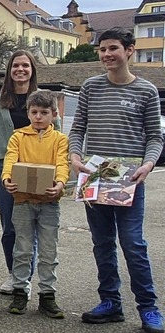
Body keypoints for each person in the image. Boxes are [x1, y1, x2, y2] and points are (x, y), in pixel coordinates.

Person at [69, 27, 165, 333]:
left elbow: (155, 136)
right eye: (102, 49)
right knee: (102, 243)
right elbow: (77, 128)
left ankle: (149, 308)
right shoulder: (90, 87)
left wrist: (148, 165)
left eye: (113, 48)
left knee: (133, 244)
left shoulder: (146, 91)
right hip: (95, 176)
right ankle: (110, 302)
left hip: (128, 179)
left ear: (129, 51)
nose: (107, 54)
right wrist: (74, 156)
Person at [0, 49, 60, 295]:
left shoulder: (43, 99)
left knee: (32, 226)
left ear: (32, 70)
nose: (20, 69)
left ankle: (25, 276)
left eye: (25, 66)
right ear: (9, 70)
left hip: (39, 171)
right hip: (6, 170)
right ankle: (14, 274)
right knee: (10, 226)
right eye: (15, 65)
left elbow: (57, 135)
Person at [1, 90, 68, 318]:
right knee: (22, 248)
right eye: (34, 112)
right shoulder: (18, 136)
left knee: (49, 250)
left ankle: (47, 295)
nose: (39, 117)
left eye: (44, 112)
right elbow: (11, 159)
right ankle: (20, 291)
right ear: (28, 113)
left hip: (50, 202)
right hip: (22, 201)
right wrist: (7, 178)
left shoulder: (60, 139)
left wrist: (60, 183)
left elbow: (62, 164)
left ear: (54, 114)